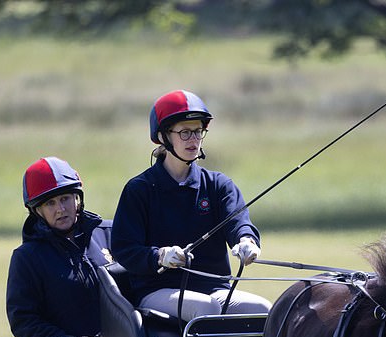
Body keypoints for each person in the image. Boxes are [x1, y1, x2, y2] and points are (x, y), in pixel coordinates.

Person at [111, 89, 271, 321]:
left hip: (215, 289)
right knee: (205, 308)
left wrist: (246, 241)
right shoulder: (139, 189)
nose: (194, 140)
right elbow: (124, 249)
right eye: (185, 133)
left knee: (265, 310)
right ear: (164, 136)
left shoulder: (218, 185)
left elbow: (238, 223)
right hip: (156, 291)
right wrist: (159, 256)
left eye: (198, 131)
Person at [6, 156, 113, 337]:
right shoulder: (27, 258)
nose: (60, 209)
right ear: (37, 210)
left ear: (78, 198)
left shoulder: (110, 234)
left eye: (65, 198)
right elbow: (24, 322)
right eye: (50, 203)